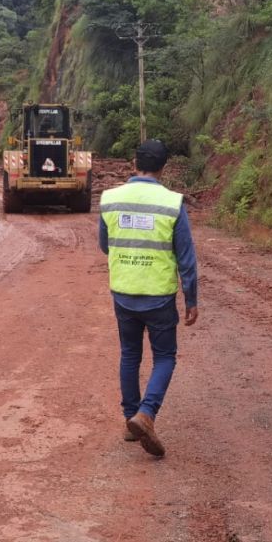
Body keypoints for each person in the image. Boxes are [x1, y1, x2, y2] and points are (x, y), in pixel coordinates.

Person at [99, 139, 198, 458]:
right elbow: (186, 258)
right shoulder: (172, 203)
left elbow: (105, 245)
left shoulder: (110, 199)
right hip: (158, 296)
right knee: (165, 356)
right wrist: (191, 299)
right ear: (163, 168)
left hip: (123, 291)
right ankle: (147, 414)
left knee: (130, 353)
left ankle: (131, 417)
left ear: (133, 163)